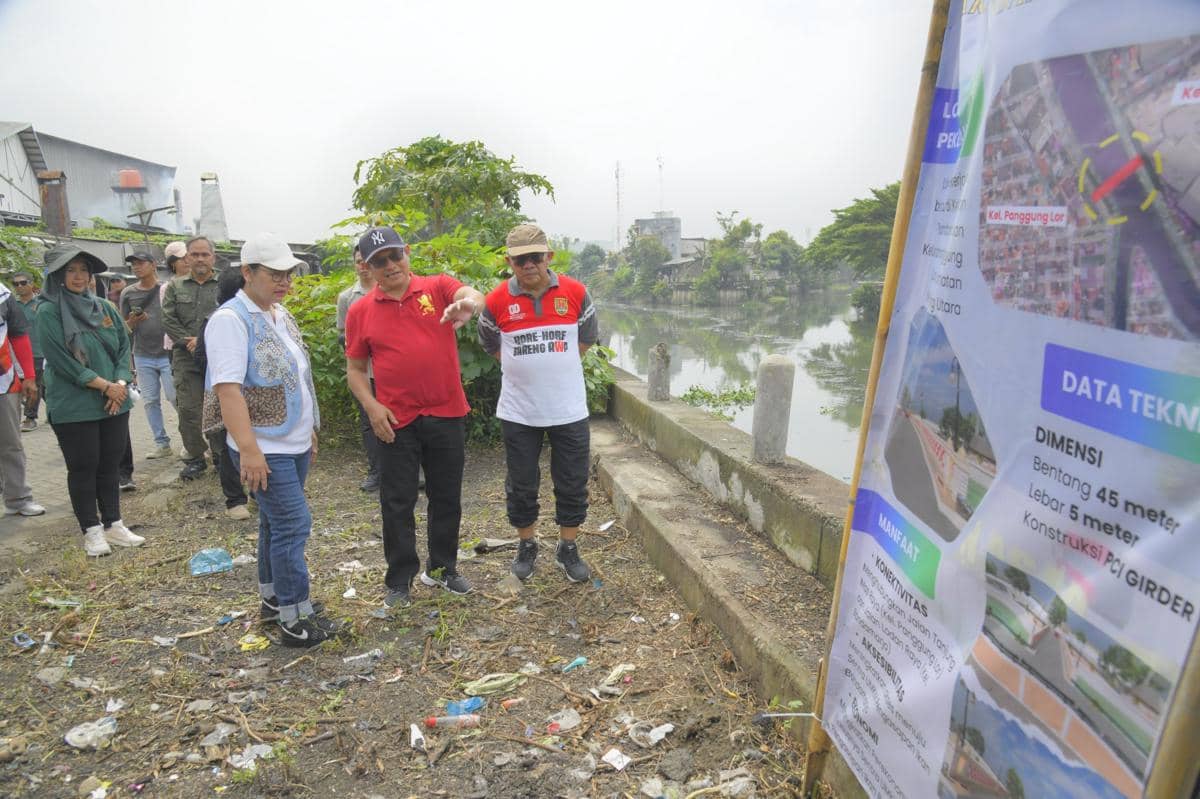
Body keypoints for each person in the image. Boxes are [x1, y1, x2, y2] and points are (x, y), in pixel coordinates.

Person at [345, 226, 485, 607]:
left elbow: (472, 293)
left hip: (446, 412)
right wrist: (372, 408)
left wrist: (467, 305)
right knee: (397, 500)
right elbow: (355, 369)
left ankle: (442, 569)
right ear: (367, 267)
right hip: (395, 420)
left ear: (406, 252)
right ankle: (400, 579)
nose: (390, 266)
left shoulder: (437, 287)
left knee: (446, 496)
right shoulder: (360, 310)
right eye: (379, 262)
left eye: (394, 256)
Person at [206, 233, 333, 646]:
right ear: (247, 273)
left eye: (288, 274)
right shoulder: (230, 320)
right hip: (264, 446)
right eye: (274, 274)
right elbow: (228, 390)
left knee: (274, 523)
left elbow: (296, 377)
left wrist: (308, 428)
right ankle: (297, 618)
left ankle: (274, 600)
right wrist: (249, 450)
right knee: (294, 523)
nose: (284, 281)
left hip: (291, 441)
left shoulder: (278, 313)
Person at [478, 224, 598, 583]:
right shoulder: (496, 300)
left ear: (549, 257)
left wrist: (553, 371)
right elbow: (490, 343)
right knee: (521, 482)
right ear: (509, 262)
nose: (529, 264)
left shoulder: (576, 293)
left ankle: (568, 547)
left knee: (573, 481)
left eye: (535, 257)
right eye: (520, 259)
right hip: (519, 412)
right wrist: (525, 370)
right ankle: (527, 544)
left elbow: (586, 338)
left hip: (568, 409)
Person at [36, 244, 143, 554]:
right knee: (83, 466)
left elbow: (124, 345)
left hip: (115, 399)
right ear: (56, 275)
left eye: (83, 270)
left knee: (110, 464)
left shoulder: (104, 308)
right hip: (75, 404)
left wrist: (120, 383)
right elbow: (62, 362)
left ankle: (114, 524)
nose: (79, 276)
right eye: (71, 270)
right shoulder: (47, 311)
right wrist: (105, 386)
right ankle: (91, 530)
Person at [162, 236, 220, 480]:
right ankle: (196, 458)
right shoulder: (175, 286)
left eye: (204, 254)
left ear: (212, 257)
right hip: (185, 357)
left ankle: (221, 456)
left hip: (217, 356)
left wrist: (204, 341)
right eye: (194, 254)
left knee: (219, 408)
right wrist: (189, 342)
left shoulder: (223, 284)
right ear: (186, 258)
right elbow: (168, 319)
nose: (199, 259)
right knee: (188, 409)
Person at [195, 268, 251, 520]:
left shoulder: (257, 315)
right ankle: (235, 499)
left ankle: (258, 495)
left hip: (254, 395)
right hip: (226, 394)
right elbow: (200, 358)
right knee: (229, 445)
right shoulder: (220, 319)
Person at [120, 249, 175, 459]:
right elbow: (122, 327)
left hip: (167, 353)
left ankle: (190, 440)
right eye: (133, 264)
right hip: (142, 354)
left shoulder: (167, 289)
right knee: (150, 400)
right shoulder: (128, 293)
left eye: (141, 263)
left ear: (153, 264)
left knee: (174, 396)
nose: (136, 267)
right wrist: (132, 322)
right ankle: (162, 443)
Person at [336, 245, 380, 492]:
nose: (362, 266)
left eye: (366, 261)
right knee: (369, 421)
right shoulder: (347, 298)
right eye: (358, 261)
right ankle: (376, 471)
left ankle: (410, 470)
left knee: (402, 420)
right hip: (364, 371)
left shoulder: (390, 289)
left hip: (392, 371)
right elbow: (342, 334)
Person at [1, 276, 44, 517]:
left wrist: (28, 376)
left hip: (3, 383)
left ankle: (18, 499)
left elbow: (19, 336)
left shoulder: (4, 296)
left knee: (10, 444)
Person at [11, 272, 45, 432]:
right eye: (16, 284)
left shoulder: (41, 303)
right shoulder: (12, 305)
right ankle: (51, 413)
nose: (19, 286)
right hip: (16, 355)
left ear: (31, 284)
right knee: (36, 387)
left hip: (40, 351)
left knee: (35, 385)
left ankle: (30, 418)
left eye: (23, 283)